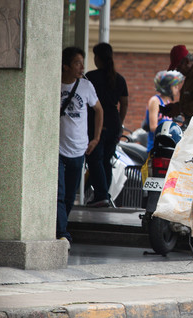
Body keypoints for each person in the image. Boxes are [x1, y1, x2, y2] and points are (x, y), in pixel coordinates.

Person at [58, 47, 103, 243]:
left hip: (79, 149)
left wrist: (96, 138)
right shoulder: (55, 84)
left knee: (69, 196)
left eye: (82, 62)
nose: (82, 67)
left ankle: (60, 227)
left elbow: (99, 110)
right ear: (65, 66)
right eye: (77, 63)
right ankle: (61, 233)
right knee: (58, 194)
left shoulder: (86, 86)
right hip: (56, 149)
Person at [85, 42, 129, 207]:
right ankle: (103, 195)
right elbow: (124, 104)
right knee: (106, 161)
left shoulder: (91, 77)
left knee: (95, 159)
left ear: (97, 58)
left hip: (96, 124)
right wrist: (120, 123)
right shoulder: (120, 79)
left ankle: (101, 195)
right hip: (114, 124)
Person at [161, 45, 193, 123]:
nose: (178, 71)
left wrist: (179, 109)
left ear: (186, 61)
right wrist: (176, 106)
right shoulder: (190, 75)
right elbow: (190, 99)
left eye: (178, 68)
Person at [143, 70, 184, 152]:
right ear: (166, 87)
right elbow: (153, 127)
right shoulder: (155, 101)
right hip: (156, 147)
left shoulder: (168, 103)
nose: (177, 88)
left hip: (167, 145)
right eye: (174, 86)